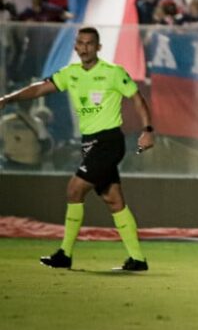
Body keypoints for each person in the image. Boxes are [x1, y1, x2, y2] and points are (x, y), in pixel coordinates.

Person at [0, 26, 154, 271]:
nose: (84, 48)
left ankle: (65, 253)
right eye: (80, 43)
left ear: (98, 47)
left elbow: (137, 98)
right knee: (113, 200)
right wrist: (8, 98)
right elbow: (40, 88)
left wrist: (147, 130)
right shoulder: (70, 74)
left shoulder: (113, 72)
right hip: (89, 143)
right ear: (76, 47)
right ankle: (137, 259)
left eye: (89, 43)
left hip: (109, 141)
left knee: (74, 189)